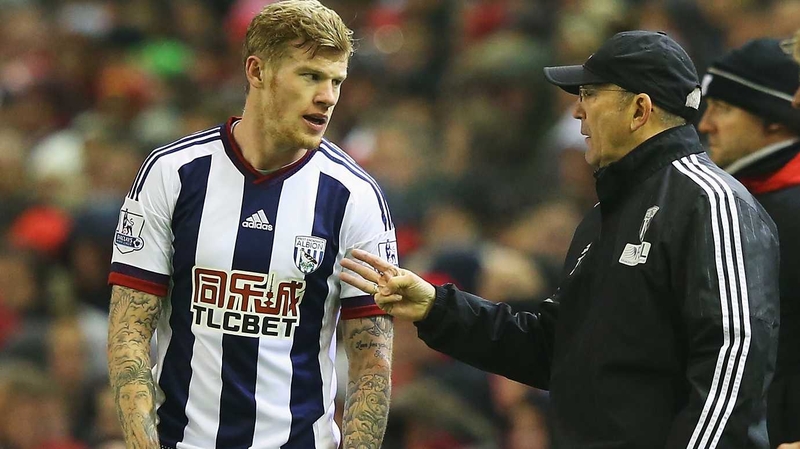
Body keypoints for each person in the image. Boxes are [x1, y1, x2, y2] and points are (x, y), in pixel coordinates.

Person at [340, 30, 781, 448]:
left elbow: (733, 355)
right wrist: (438, 308)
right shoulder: (604, 215)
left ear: (640, 110)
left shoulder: (710, 202)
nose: (577, 111)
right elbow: (553, 348)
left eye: (590, 95)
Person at [107, 1, 395, 448]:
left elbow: (372, 360)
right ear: (257, 72)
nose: (328, 96)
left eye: (336, 80)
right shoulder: (174, 174)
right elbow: (129, 332)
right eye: (310, 76)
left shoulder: (354, 197)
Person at [697, 36, 800, 449]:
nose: (705, 124)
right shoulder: (749, 199)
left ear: (773, 119)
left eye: (722, 108)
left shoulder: (787, 209)